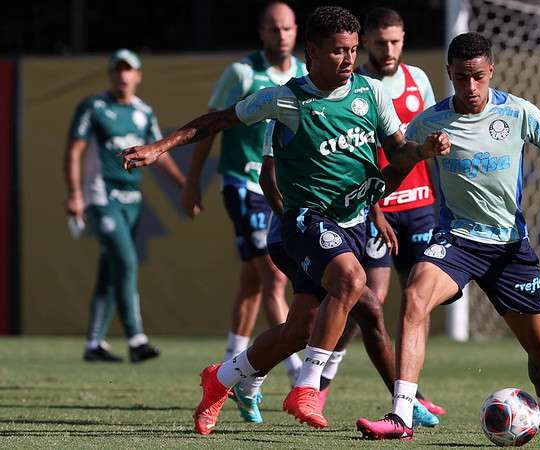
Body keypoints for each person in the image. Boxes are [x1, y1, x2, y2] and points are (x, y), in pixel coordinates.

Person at [119, 5, 450, 434]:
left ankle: (221, 380)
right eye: (337, 51)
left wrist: (421, 151)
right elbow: (218, 121)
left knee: (301, 329)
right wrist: (160, 147)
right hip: (301, 222)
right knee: (353, 284)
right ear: (311, 51)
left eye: (352, 50)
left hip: (350, 223)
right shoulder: (286, 98)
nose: (348, 60)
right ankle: (308, 387)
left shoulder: (371, 94)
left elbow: (399, 151)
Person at [356, 32, 540, 440]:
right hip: (457, 240)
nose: (470, 88)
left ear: (491, 72)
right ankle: (401, 416)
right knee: (414, 296)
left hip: (509, 246)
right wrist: (375, 203)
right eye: (461, 78)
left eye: (478, 77)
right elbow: (396, 168)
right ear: (448, 73)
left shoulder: (518, 113)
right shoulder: (430, 122)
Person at [179, 1, 305, 423]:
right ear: (262, 32)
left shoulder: (305, 74)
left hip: (282, 189)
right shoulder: (241, 73)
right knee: (274, 276)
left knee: (253, 282)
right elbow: (212, 125)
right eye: (274, 28)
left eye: (288, 28)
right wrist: (193, 180)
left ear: (296, 31)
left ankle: (231, 371)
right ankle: (298, 374)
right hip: (242, 184)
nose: (281, 35)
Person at [322, 6, 445, 416]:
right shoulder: (356, 86)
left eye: (395, 42)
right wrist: (374, 206)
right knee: (367, 298)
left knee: (419, 298)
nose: (388, 49)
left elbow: (429, 140)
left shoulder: (418, 80)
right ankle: (322, 379)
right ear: (367, 43)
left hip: (421, 207)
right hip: (376, 207)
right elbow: (357, 154)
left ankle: (412, 390)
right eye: (379, 42)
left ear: (403, 39)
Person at [64, 49, 186, 363]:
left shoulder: (144, 112)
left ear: (138, 75)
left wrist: (184, 184)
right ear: (110, 74)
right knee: (127, 261)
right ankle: (136, 338)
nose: (123, 75)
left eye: (128, 69)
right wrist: (75, 193)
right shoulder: (94, 106)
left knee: (111, 269)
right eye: (117, 69)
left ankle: (94, 344)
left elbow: (158, 152)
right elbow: (74, 151)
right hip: (100, 196)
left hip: (132, 199)